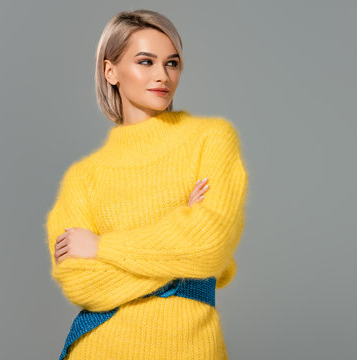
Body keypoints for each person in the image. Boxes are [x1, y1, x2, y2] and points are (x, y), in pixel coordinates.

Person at [44, 9, 249, 360]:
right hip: (97, 348)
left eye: (172, 63)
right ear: (111, 71)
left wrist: (100, 248)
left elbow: (209, 244)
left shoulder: (211, 139)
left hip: (190, 348)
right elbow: (79, 280)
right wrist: (180, 251)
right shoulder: (84, 177)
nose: (162, 76)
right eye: (145, 62)